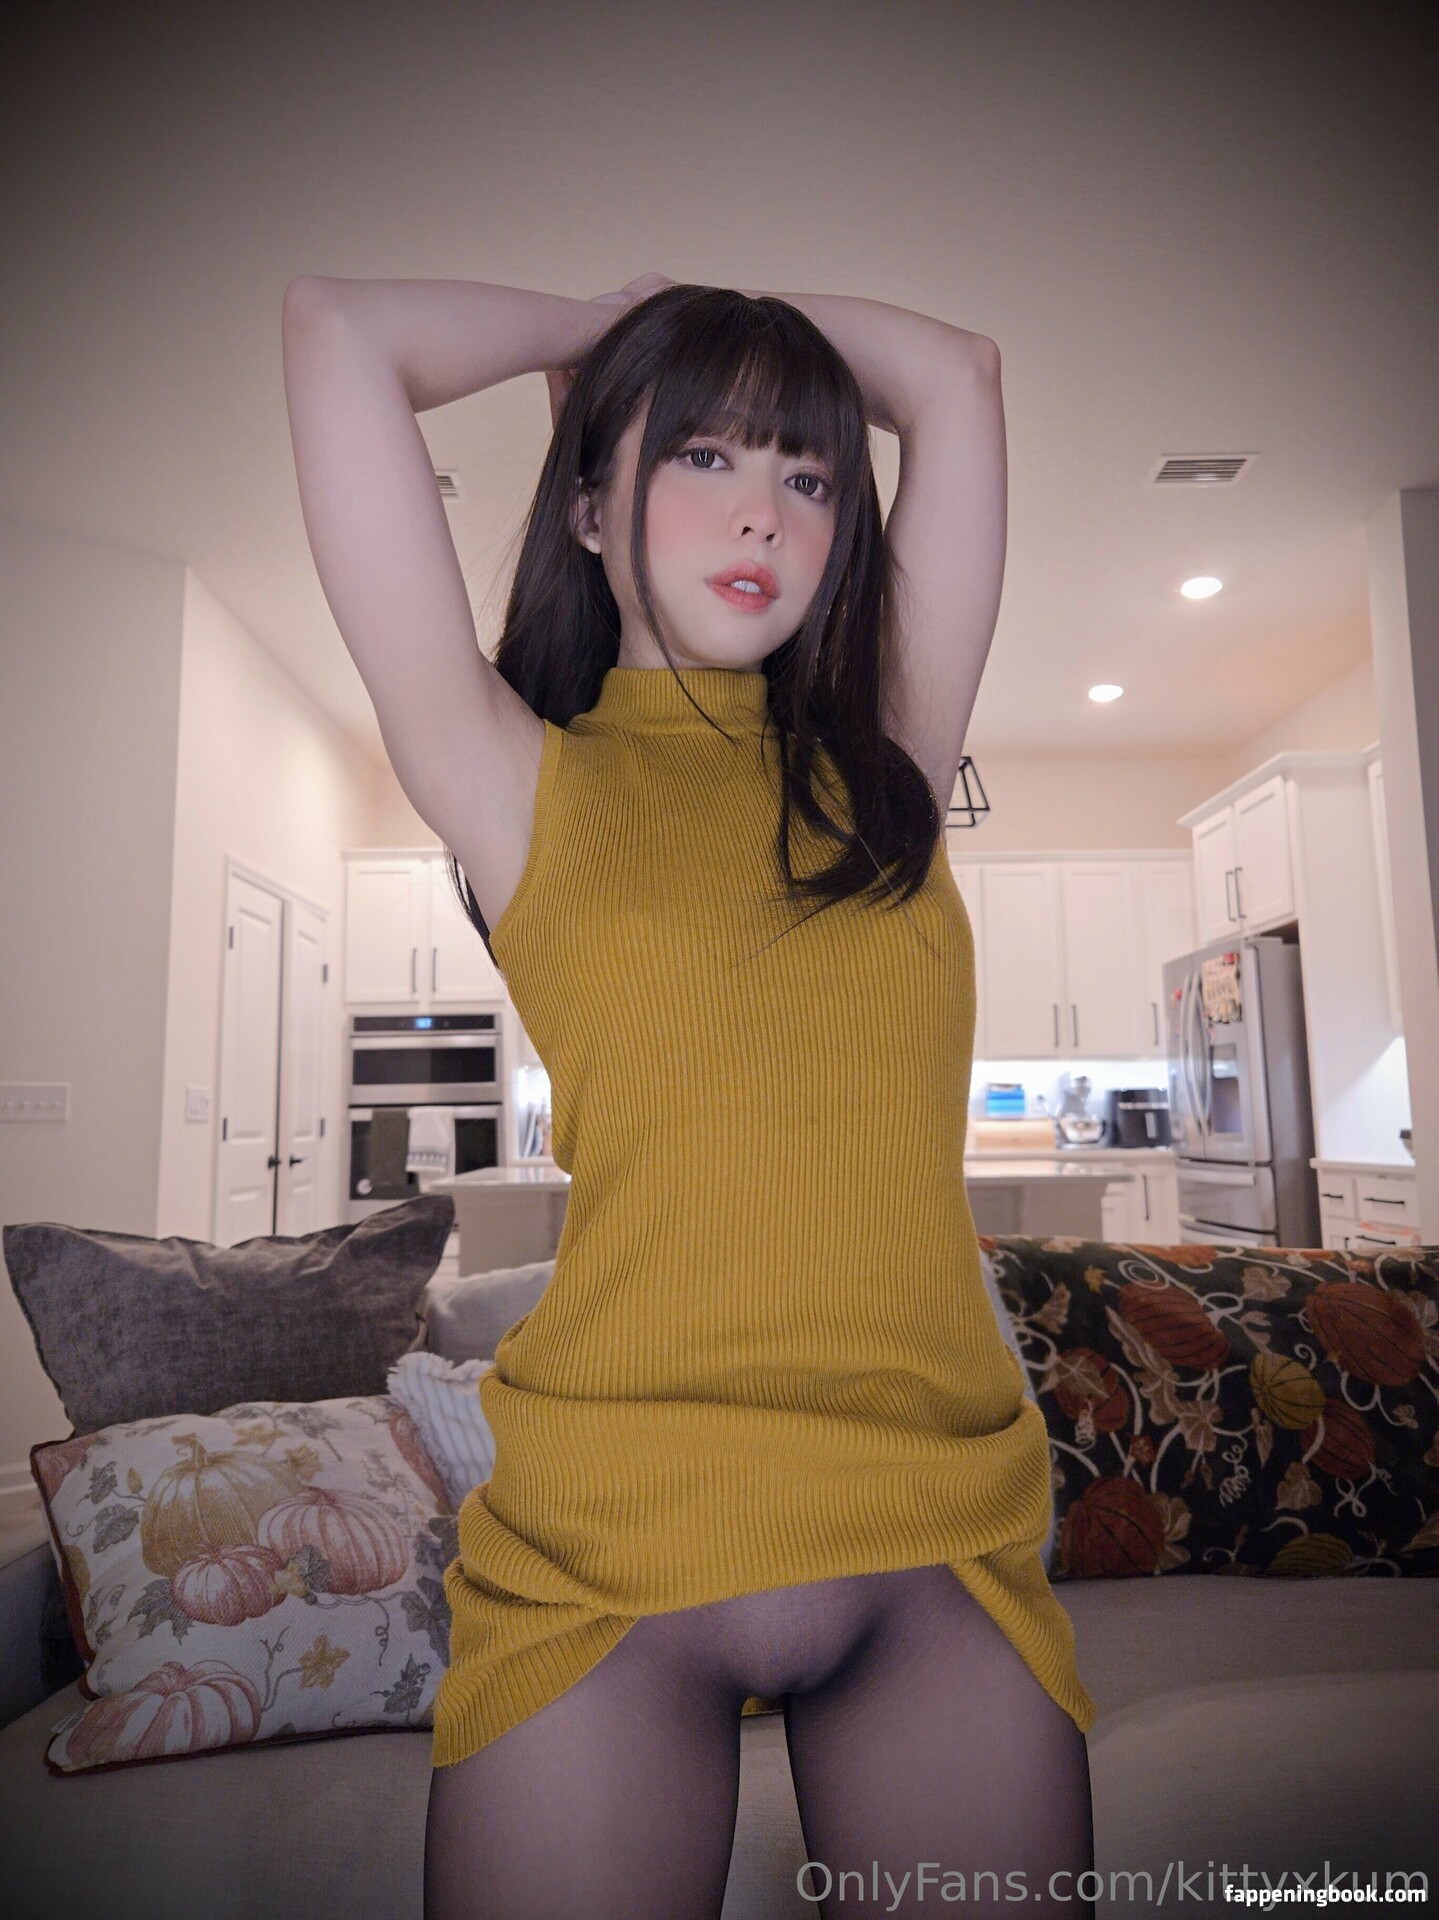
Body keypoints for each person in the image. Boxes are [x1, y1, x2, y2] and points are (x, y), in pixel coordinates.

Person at [281, 269, 1097, 1920]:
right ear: (591, 507)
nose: (765, 513)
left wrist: (719, 341)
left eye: (809, 475)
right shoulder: (517, 778)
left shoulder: (888, 762)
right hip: (607, 1551)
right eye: (704, 456)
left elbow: (960, 371)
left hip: (931, 1531)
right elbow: (335, 333)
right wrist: (610, 326)